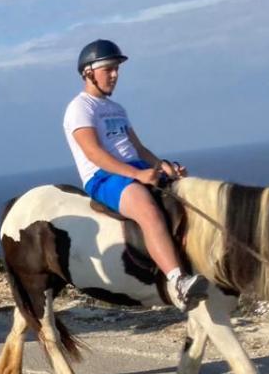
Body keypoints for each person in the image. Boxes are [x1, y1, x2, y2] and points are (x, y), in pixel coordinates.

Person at [64, 39, 207, 310]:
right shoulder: (80, 108)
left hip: (135, 168)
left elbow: (138, 148)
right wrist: (136, 175)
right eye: (109, 69)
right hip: (104, 176)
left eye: (117, 69)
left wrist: (164, 166)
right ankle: (178, 281)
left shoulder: (117, 109)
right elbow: (93, 153)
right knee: (147, 210)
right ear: (89, 73)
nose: (115, 75)